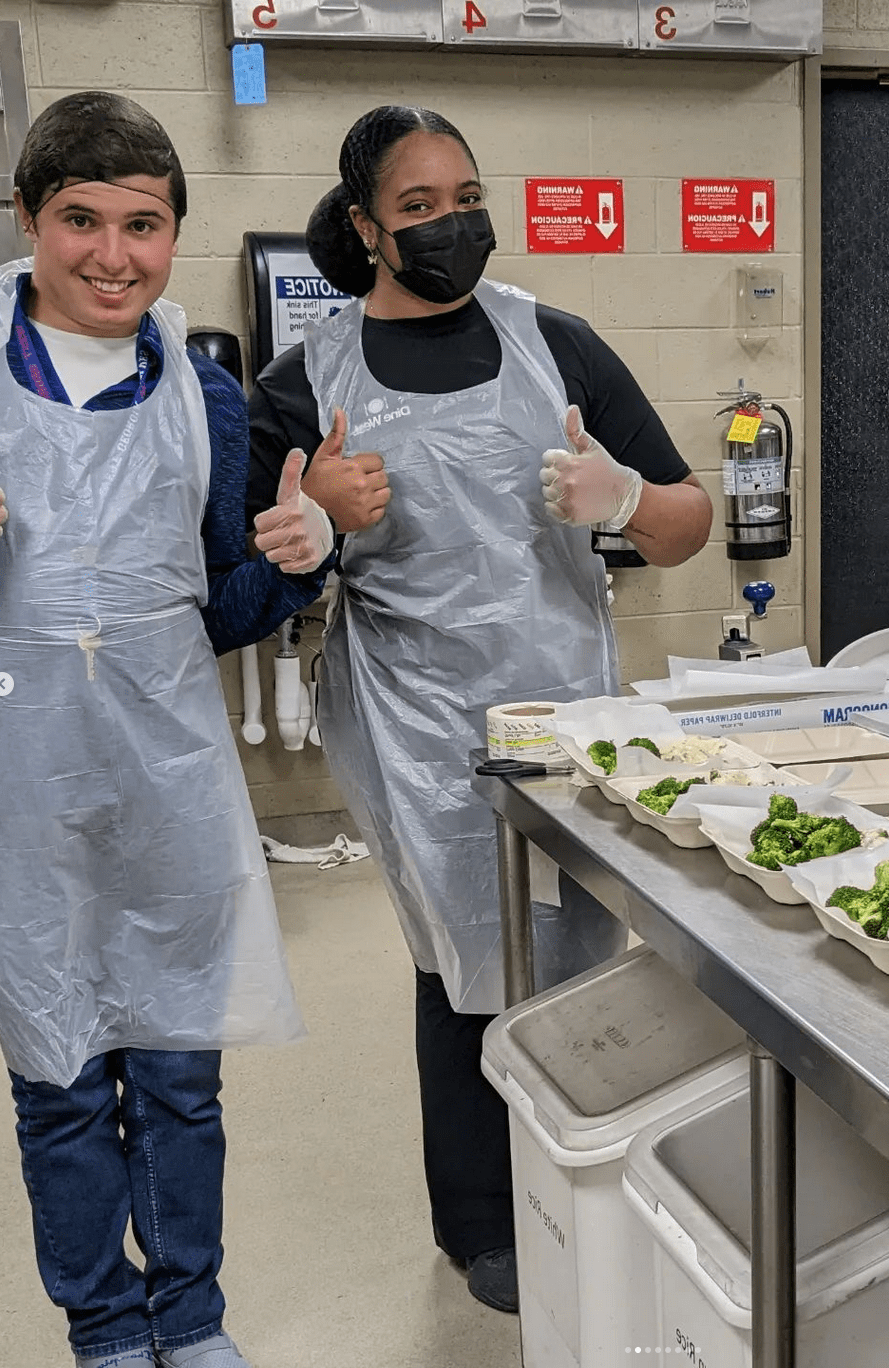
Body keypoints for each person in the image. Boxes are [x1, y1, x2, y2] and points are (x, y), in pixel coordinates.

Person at [247, 105, 712, 1314]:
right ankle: (481, 1221)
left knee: (572, 948)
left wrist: (620, 499)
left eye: (465, 198)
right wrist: (317, 527)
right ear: (363, 228)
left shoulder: (555, 342)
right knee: (462, 956)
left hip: (563, 707)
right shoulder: (308, 380)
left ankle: (589, 1166)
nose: (451, 225)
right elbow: (254, 570)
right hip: (409, 718)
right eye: (417, 207)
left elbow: (686, 522)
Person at [0, 92, 334, 1368]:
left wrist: (301, 560)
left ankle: (191, 1317)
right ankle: (102, 1328)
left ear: (176, 232)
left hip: (167, 779)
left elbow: (215, 611)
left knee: (182, 1079)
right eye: (81, 221)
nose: (113, 256)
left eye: (144, 224)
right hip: (15, 793)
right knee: (59, 1082)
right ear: (27, 221)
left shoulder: (203, 391)